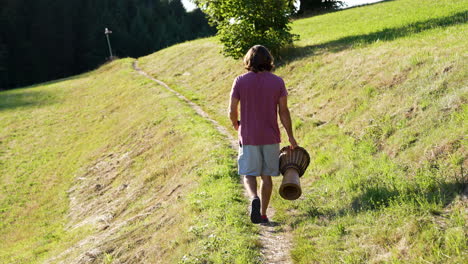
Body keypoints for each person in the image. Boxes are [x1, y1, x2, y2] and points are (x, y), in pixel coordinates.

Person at [229, 45, 298, 224]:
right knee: (266, 176)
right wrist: (290, 136)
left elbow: (232, 110)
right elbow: (284, 111)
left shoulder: (240, 81)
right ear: (269, 61)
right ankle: (263, 213)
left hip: (249, 136)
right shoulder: (277, 82)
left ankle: (253, 198)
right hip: (270, 136)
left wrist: (236, 124)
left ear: (248, 61)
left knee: (249, 174)